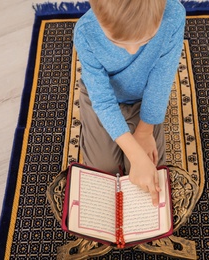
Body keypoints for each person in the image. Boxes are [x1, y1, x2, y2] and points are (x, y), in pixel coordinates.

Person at [74, 0, 185, 206]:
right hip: (103, 97)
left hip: (144, 97)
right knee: (103, 171)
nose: (133, 51)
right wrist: (134, 154)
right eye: (118, 42)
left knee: (152, 174)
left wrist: (144, 132)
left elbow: (160, 80)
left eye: (146, 40)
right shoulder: (85, 31)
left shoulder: (173, 15)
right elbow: (103, 100)